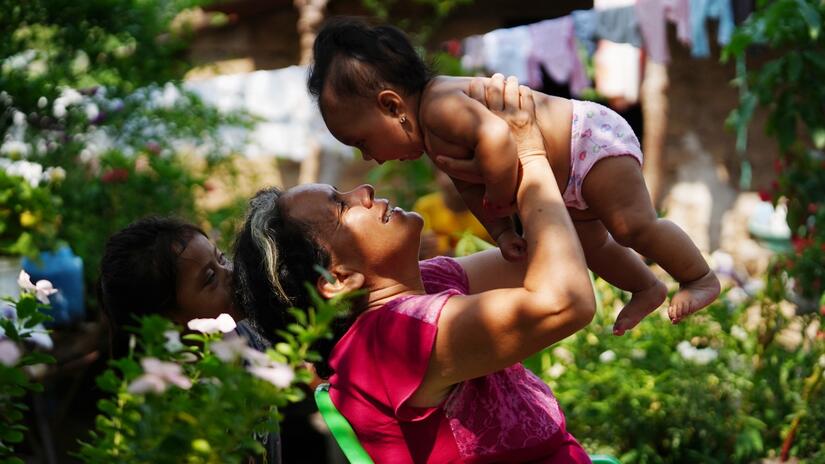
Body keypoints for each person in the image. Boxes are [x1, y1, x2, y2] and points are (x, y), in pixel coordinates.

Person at [233, 76, 596, 462]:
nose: (364, 192)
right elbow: (564, 302)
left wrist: (499, 165)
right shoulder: (388, 339)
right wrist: (530, 153)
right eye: (342, 207)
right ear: (337, 279)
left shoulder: (423, 285)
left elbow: (558, 252)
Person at [307, 17, 720, 335]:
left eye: (363, 141)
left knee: (632, 227)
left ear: (392, 105)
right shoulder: (435, 140)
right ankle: (646, 286)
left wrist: (504, 196)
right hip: (562, 177)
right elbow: (472, 189)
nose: (370, 158)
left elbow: (498, 139)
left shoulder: (440, 106)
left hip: (587, 142)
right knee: (590, 246)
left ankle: (698, 277)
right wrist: (502, 230)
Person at [97, 216, 280, 464]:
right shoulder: (169, 414)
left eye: (221, 258)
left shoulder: (246, 334)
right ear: (166, 321)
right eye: (209, 278)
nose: (231, 273)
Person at [414, 169, 493, 259]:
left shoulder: (489, 208)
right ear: (436, 178)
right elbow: (421, 251)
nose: (456, 179)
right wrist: (416, 250)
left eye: (463, 173)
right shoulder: (426, 207)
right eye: (448, 173)